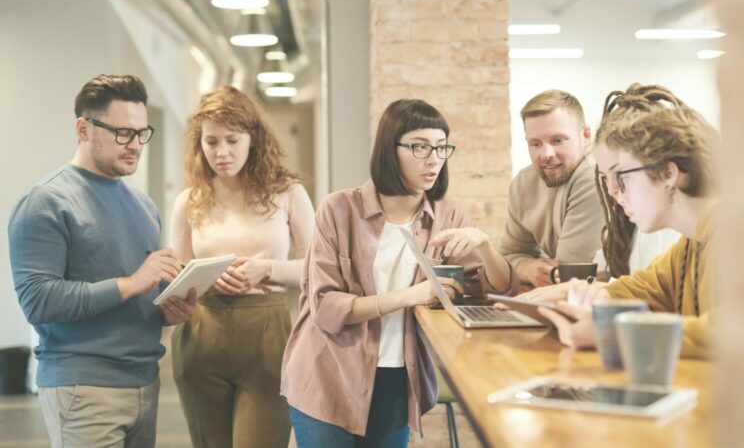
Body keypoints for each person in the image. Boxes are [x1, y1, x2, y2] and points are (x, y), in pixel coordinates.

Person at [281, 99, 517, 446]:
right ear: (390, 150)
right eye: (420, 146)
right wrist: (412, 296)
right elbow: (326, 306)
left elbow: (497, 290)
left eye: (441, 147)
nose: (433, 158)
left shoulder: (448, 215)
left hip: (396, 379)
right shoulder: (339, 209)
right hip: (328, 373)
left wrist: (484, 244)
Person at [8, 74, 195, 447]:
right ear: (83, 128)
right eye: (123, 133)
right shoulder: (45, 203)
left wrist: (166, 310)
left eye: (143, 133)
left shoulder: (142, 205)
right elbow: (39, 301)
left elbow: (133, 297)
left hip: (144, 380)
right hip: (83, 388)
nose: (136, 146)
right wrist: (132, 283)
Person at [169, 85, 314, 448]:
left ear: (253, 138)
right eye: (211, 141)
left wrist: (268, 270)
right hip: (202, 333)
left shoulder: (287, 192)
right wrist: (206, 279)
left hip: (267, 334)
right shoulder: (189, 201)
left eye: (232, 140)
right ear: (199, 144)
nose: (222, 152)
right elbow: (177, 277)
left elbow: (319, 268)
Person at [538, 86, 719, 359]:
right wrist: (588, 303)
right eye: (606, 179)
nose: (612, 191)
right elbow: (641, 289)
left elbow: (741, 331)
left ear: (669, 173)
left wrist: (613, 333)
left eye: (621, 176)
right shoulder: (690, 245)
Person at [500, 90, 604, 287]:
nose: (546, 154)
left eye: (558, 140)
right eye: (535, 144)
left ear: (586, 135)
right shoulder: (525, 182)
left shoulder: (595, 176)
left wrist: (523, 266)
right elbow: (507, 255)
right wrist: (528, 268)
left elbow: (568, 273)